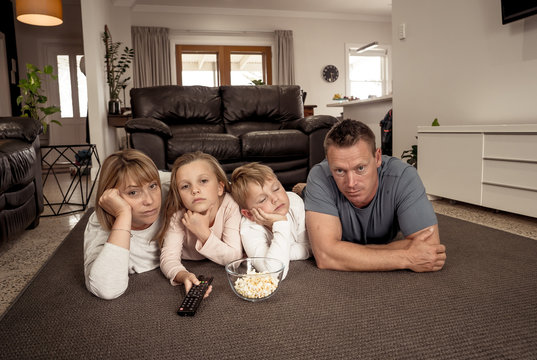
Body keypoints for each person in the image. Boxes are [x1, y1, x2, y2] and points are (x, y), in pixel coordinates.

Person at [303, 119, 446, 272]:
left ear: (377, 157)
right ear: (329, 163)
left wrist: (342, 250)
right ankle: (304, 189)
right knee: (298, 199)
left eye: (360, 168)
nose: (351, 183)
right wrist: (407, 257)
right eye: (339, 171)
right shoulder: (320, 176)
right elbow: (325, 256)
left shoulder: (403, 176)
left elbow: (430, 247)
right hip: (317, 193)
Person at [83, 149, 171, 300]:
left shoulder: (167, 191)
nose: (149, 201)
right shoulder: (99, 224)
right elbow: (106, 289)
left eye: (152, 186)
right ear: (111, 195)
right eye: (133, 193)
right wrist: (123, 214)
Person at [157, 151, 242, 294]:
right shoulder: (178, 214)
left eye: (203, 181)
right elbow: (168, 259)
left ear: (220, 188)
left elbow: (234, 258)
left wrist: (202, 232)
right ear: (179, 195)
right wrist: (183, 275)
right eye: (185, 186)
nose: (195, 190)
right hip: (189, 259)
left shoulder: (230, 205)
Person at [230, 163, 311, 279]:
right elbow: (275, 273)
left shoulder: (295, 202)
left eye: (276, 188)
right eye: (262, 199)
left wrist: (279, 254)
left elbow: (311, 247)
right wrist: (281, 223)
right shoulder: (249, 229)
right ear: (249, 214)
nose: (275, 199)